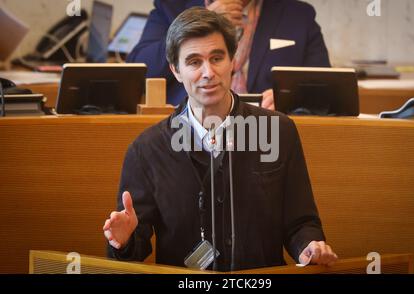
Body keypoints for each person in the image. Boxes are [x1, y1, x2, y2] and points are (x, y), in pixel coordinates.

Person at [104, 7, 337, 271]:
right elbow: (134, 249)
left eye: (217, 58)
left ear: (232, 61)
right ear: (176, 70)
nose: (208, 73)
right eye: (193, 62)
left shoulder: (279, 132)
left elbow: (301, 222)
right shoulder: (146, 150)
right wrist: (123, 242)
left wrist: (308, 247)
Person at [127, 0, 330, 110]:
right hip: (188, 130)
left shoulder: (298, 15)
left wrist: (289, 98)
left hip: (268, 131)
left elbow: (326, 88)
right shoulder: (172, 6)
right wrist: (198, 21)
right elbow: (139, 72)